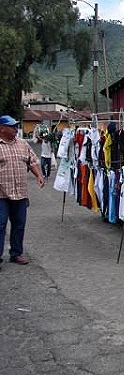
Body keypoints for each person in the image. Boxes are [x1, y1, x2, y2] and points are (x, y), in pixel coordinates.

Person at [0, 115, 45, 269]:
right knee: (0, 224)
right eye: (12, 126)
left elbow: (31, 161)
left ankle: (16, 253)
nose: (15, 128)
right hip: (1, 194)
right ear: (2, 128)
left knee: (19, 224)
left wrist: (38, 175)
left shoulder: (23, 144)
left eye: (15, 126)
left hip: (20, 193)